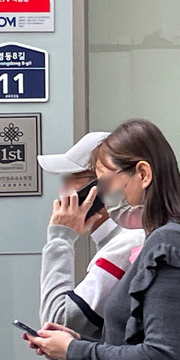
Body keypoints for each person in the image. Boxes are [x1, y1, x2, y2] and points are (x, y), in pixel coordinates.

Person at [26, 119, 180, 359]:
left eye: (105, 182)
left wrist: (74, 350)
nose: (104, 194)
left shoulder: (168, 243)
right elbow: (141, 341)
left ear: (143, 174)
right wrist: (77, 342)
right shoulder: (170, 239)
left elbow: (160, 354)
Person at [38, 132, 145, 339]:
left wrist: (60, 238)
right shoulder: (116, 240)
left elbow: (58, 322)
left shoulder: (128, 241)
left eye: (72, 179)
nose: (62, 190)